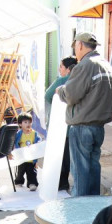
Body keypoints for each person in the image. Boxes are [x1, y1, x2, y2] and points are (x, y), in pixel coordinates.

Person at [56, 32, 112, 197]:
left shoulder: (85, 65)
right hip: (98, 126)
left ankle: (80, 211)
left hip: (83, 126)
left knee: (80, 171)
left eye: (75, 46)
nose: (75, 49)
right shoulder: (105, 64)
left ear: (80, 45)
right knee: (93, 169)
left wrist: (60, 90)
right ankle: (92, 208)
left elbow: (71, 95)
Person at [44, 56, 77, 191]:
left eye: (61, 67)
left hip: (60, 123)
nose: (59, 69)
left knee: (59, 155)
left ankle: (59, 182)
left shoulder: (62, 80)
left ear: (68, 69)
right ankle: (64, 181)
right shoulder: (78, 80)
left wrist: (59, 104)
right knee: (68, 157)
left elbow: (48, 95)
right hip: (73, 123)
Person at [12, 112, 42, 192]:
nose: (28, 124)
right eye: (25, 122)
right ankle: (19, 181)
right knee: (20, 171)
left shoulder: (34, 133)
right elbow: (15, 142)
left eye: (29, 122)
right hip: (22, 156)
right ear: (20, 124)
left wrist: (38, 144)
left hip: (31, 157)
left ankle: (32, 183)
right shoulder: (19, 134)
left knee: (31, 172)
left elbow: (38, 140)